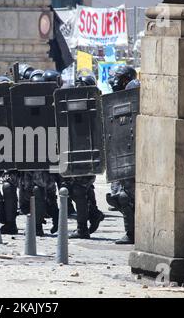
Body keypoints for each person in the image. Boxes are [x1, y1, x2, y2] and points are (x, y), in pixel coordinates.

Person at [60, 72, 105, 239]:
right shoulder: (72, 103)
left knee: (79, 190)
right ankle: (93, 214)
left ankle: (82, 229)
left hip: (88, 153)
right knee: (80, 189)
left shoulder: (96, 105)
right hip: (75, 152)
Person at [106, 65, 139, 244]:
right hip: (124, 157)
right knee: (122, 198)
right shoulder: (114, 102)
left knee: (127, 198)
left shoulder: (135, 102)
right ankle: (132, 233)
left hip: (139, 159)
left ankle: (134, 233)